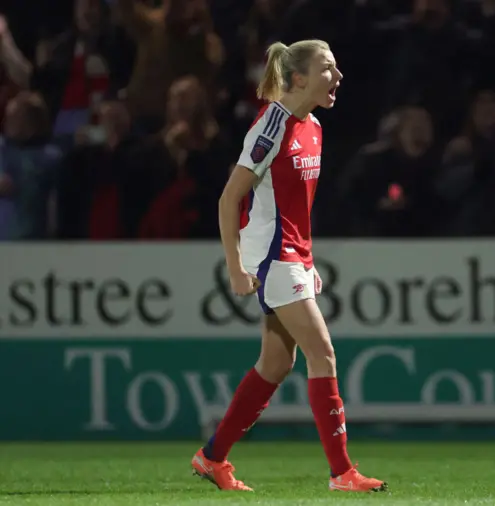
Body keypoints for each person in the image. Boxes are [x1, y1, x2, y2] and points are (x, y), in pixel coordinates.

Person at [190, 39, 388, 493]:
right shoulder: (272, 126)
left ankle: (211, 457)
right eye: (328, 68)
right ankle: (342, 473)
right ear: (298, 78)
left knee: (276, 365)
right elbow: (228, 198)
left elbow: (295, 207)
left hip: (293, 256)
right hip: (273, 259)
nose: (337, 77)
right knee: (323, 354)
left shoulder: (314, 126)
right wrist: (236, 268)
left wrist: (308, 259)